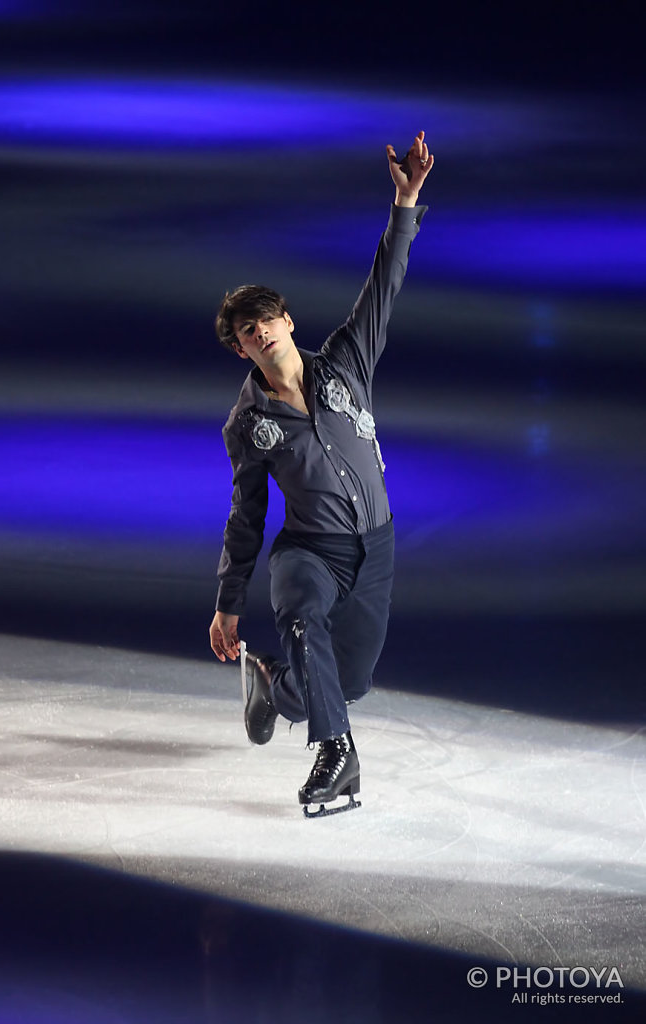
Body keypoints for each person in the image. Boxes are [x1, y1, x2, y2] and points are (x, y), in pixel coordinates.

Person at [209, 133, 433, 817]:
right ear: (240, 347)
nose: (261, 332)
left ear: (286, 319)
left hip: (377, 550)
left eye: (266, 318)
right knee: (303, 619)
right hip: (310, 553)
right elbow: (247, 516)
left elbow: (382, 287)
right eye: (247, 330)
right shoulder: (247, 425)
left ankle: (272, 687)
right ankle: (336, 755)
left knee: (340, 679)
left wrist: (404, 202)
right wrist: (227, 600)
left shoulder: (345, 362)